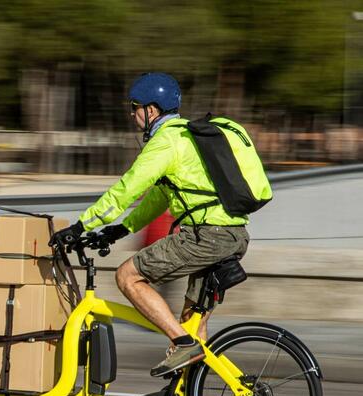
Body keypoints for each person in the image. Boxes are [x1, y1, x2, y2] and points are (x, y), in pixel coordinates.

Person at [51, 72, 251, 378]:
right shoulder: (187, 137)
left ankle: (183, 344)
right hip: (231, 234)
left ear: (152, 110)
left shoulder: (166, 142)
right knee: (192, 320)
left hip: (207, 237)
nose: (133, 114)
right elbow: (160, 195)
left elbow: (127, 188)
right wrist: (122, 229)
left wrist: (81, 226)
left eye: (135, 107)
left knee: (127, 276)